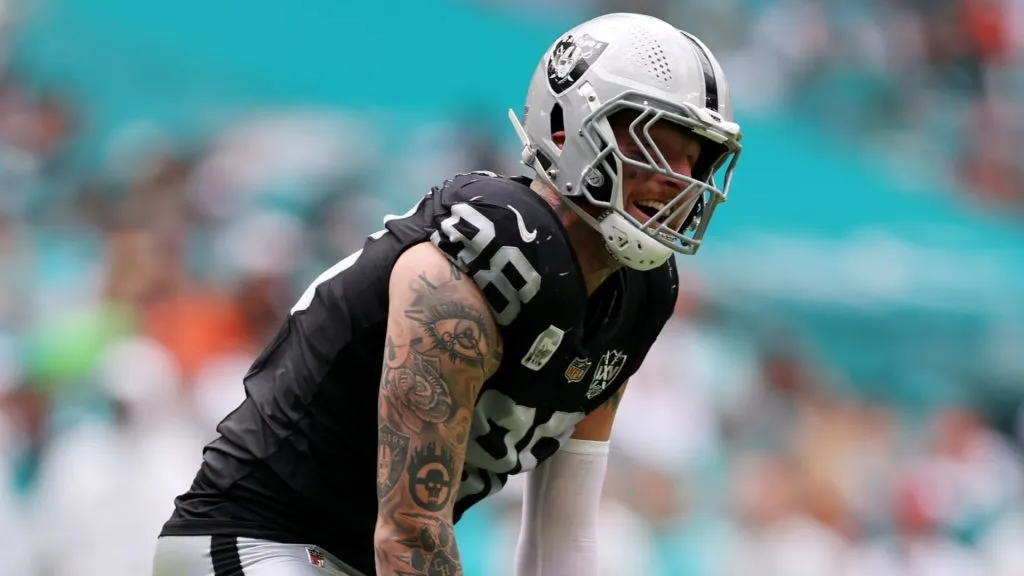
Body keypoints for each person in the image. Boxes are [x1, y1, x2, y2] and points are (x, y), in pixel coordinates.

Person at [153, 11, 742, 576]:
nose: (680, 177)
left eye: (697, 155)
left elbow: (562, 540)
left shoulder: (638, 294)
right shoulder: (497, 252)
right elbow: (411, 533)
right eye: (656, 143)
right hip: (265, 537)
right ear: (571, 134)